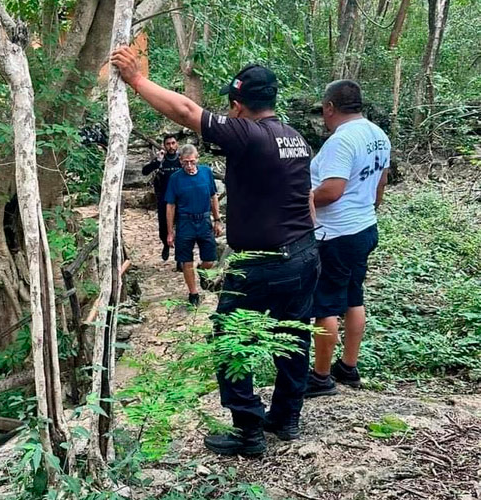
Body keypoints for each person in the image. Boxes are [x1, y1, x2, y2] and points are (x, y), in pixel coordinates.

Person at [111, 48, 319, 457]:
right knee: (293, 336)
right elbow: (306, 199)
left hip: (261, 263)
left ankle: (248, 432)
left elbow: (188, 112)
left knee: (229, 339)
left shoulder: (249, 133)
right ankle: (286, 418)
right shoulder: (295, 139)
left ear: (238, 106)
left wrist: (137, 81)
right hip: (303, 253)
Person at [305, 80, 390, 398]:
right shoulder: (378, 135)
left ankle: (321, 376)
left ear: (330, 107)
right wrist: (367, 211)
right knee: (353, 297)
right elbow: (380, 183)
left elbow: (332, 190)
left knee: (325, 304)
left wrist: (301, 200)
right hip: (364, 227)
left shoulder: (341, 141)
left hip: (336, 234)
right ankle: (348, 367)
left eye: (323, 110)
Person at [164, 143, 221, 306]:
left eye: (192, 161)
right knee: (186, 261)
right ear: (180, 161)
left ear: (197, 159)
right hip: (185, 222)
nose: (189, 165)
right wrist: (170, 231)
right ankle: (193, 293)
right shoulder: (175, 178)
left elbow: (213, 196)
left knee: (210, 258)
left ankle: (202, 270)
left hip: (204, 220)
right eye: (185, 162)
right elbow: (170, 205)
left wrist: (217, 220)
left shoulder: (206, 173)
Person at [142, 134, 182, 262]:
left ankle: (180, 258)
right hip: (164, 199)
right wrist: (157, 162)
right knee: (163, 228)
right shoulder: (161, 160)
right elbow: (145, 171)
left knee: (181, 228)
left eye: (173, 143)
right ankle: (165, 244)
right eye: (168, 144)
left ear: (177, 144)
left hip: (180, 199)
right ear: (164, 146)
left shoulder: (181, 159)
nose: (171, 146)